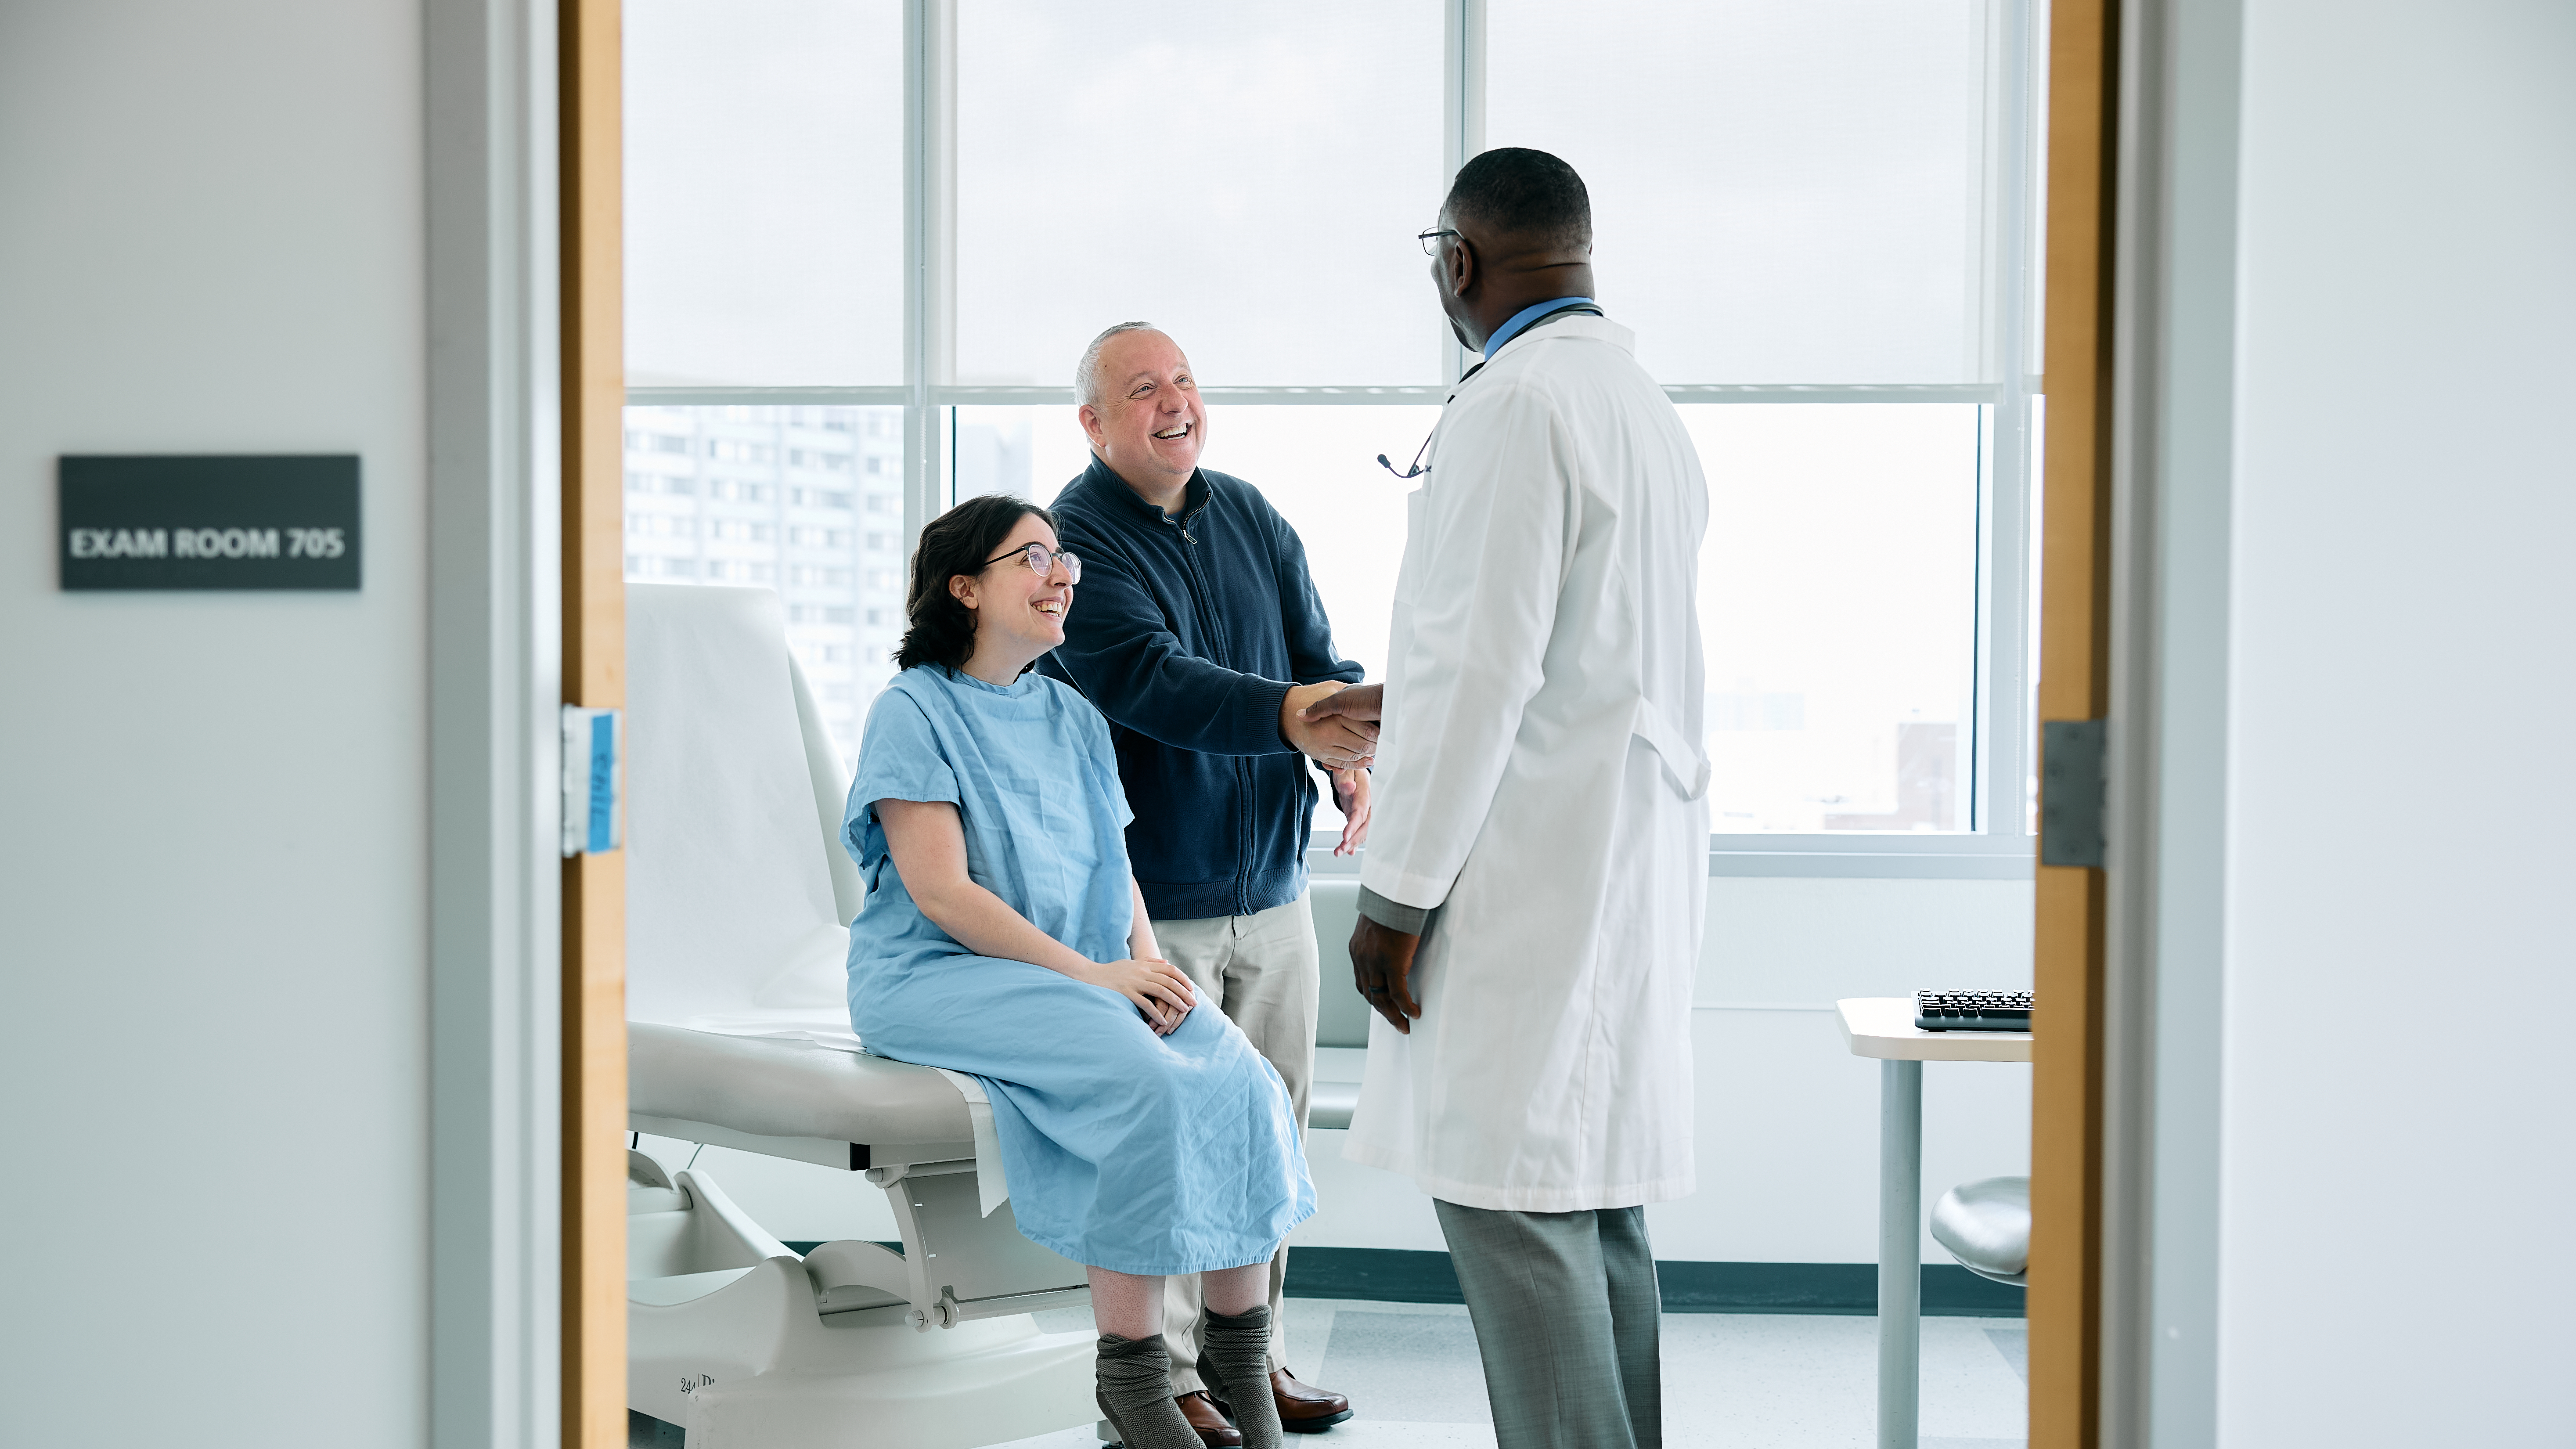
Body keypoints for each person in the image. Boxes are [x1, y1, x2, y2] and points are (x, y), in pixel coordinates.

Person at [1298, 147, 1710, 1449]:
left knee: (1515, 1211)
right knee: (1589, 1209)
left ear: (1457, 260)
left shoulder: (1516, 402)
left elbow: (1475, 671)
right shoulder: (1636, 402)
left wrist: (1394, 896)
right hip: (1609, 860)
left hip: (1528, 871)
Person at [842, 492, 1316, 1449]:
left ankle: (1240, 1363)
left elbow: (1116, 863)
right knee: (1149, 1086)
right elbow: (945, 896)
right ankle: (1135, 1380)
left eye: (1064, 559)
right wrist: (1095, 979)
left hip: (1082, 970)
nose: (1061, 574)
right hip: (936, 975)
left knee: (1244, 1080)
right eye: (1032, 558)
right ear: (964, 588)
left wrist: (1148, 968)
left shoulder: (1071, 712)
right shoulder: (912, 711)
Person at [1038, 321, 1368, 1445]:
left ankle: (1251, 1357)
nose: (1174, 402)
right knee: (1172, 1142)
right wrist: (1300, 716)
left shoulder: (1250, 513)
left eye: (1183, 380)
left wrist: (1346, 753)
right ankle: (1171, 1374)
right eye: (1144, 389)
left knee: (1271, 1134)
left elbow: (1316, 660)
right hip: (1153, 901)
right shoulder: (1075, 543)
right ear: (1094, 423)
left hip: (1272, 889)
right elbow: (1152, 681)